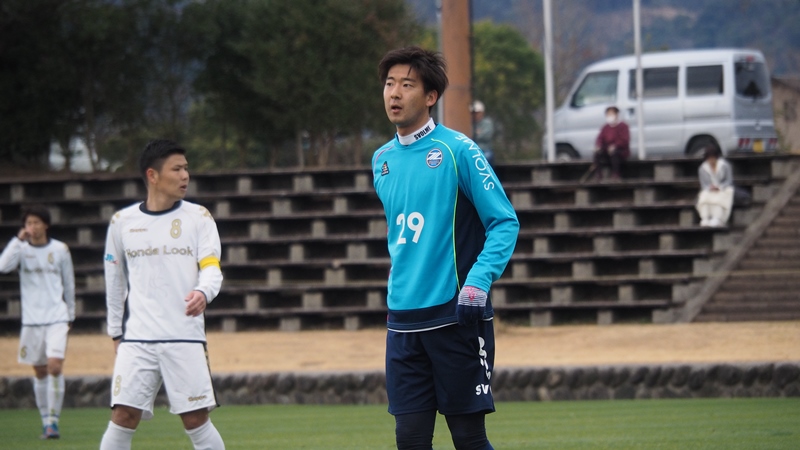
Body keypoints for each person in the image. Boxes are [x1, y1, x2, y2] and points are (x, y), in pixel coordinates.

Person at [373, 46, 519, 450]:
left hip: (456, 315)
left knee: (469, 439)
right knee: (410, 440)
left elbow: (504, 222)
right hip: (402, 322)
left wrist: (479, 282)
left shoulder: (459, 150)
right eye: (389, 84)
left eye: (407, 85)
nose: (394, 93)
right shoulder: (381, 160)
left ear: (431, 96)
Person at [99, 140, 225, 450]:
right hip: (137, 339)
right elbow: (114, 283)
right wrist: (116, 333)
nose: (185, 176)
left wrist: (203, 292)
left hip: (184, 337)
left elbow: (212, 268)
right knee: (123, 416)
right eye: (177, 169)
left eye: (186, 169)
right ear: (152, 175)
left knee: (195, 419)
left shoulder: (199, 217)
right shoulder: (122, 223)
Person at [0, 205, 75, 440]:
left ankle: (53, 421)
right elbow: (3, 266)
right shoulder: (21, 250)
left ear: (46, 225)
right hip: (32, 321)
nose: (32, 227)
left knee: (55, 366)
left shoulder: (60, 249)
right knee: (40, 370)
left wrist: (71, 314)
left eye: (36, 223)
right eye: (28, 223)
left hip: (57, 317)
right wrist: (17, 240)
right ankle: (46, 422)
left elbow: (69, 282)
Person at [696, 145, 734, 227]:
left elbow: (729, 180)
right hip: (709, 189)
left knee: (721, 196)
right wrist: (710, 188)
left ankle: (717, 218)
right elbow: (703, 184)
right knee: (704, 196)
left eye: (712, 158)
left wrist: (720, 187)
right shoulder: (702, 168)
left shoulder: (725, 165)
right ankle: (705, 218)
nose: (711, 160)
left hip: (723, 188)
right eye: (709, 158)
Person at [593, 106, 630, 180]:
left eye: (611, 114)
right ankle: (598, 174)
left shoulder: (623, 126)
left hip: (620, 150)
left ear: (616, 115)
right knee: (597, 153)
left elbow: (624, 140)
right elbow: (600, 138)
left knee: (615, 154)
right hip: (607, 149)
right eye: (608, 114)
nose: (609, 116)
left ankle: (616, 174)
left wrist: (615, 146)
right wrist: (598, 146)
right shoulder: (605, 127)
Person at [471, 100, 495, 165]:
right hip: (471, 150)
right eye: (473, 113)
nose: (474, 114)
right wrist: (476, 133)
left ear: (482, 112)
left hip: (485, 150)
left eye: (477, 112)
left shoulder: (487, 123)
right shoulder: (469, 124)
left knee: (485, 158)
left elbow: (487, 136)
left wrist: (475, 134)